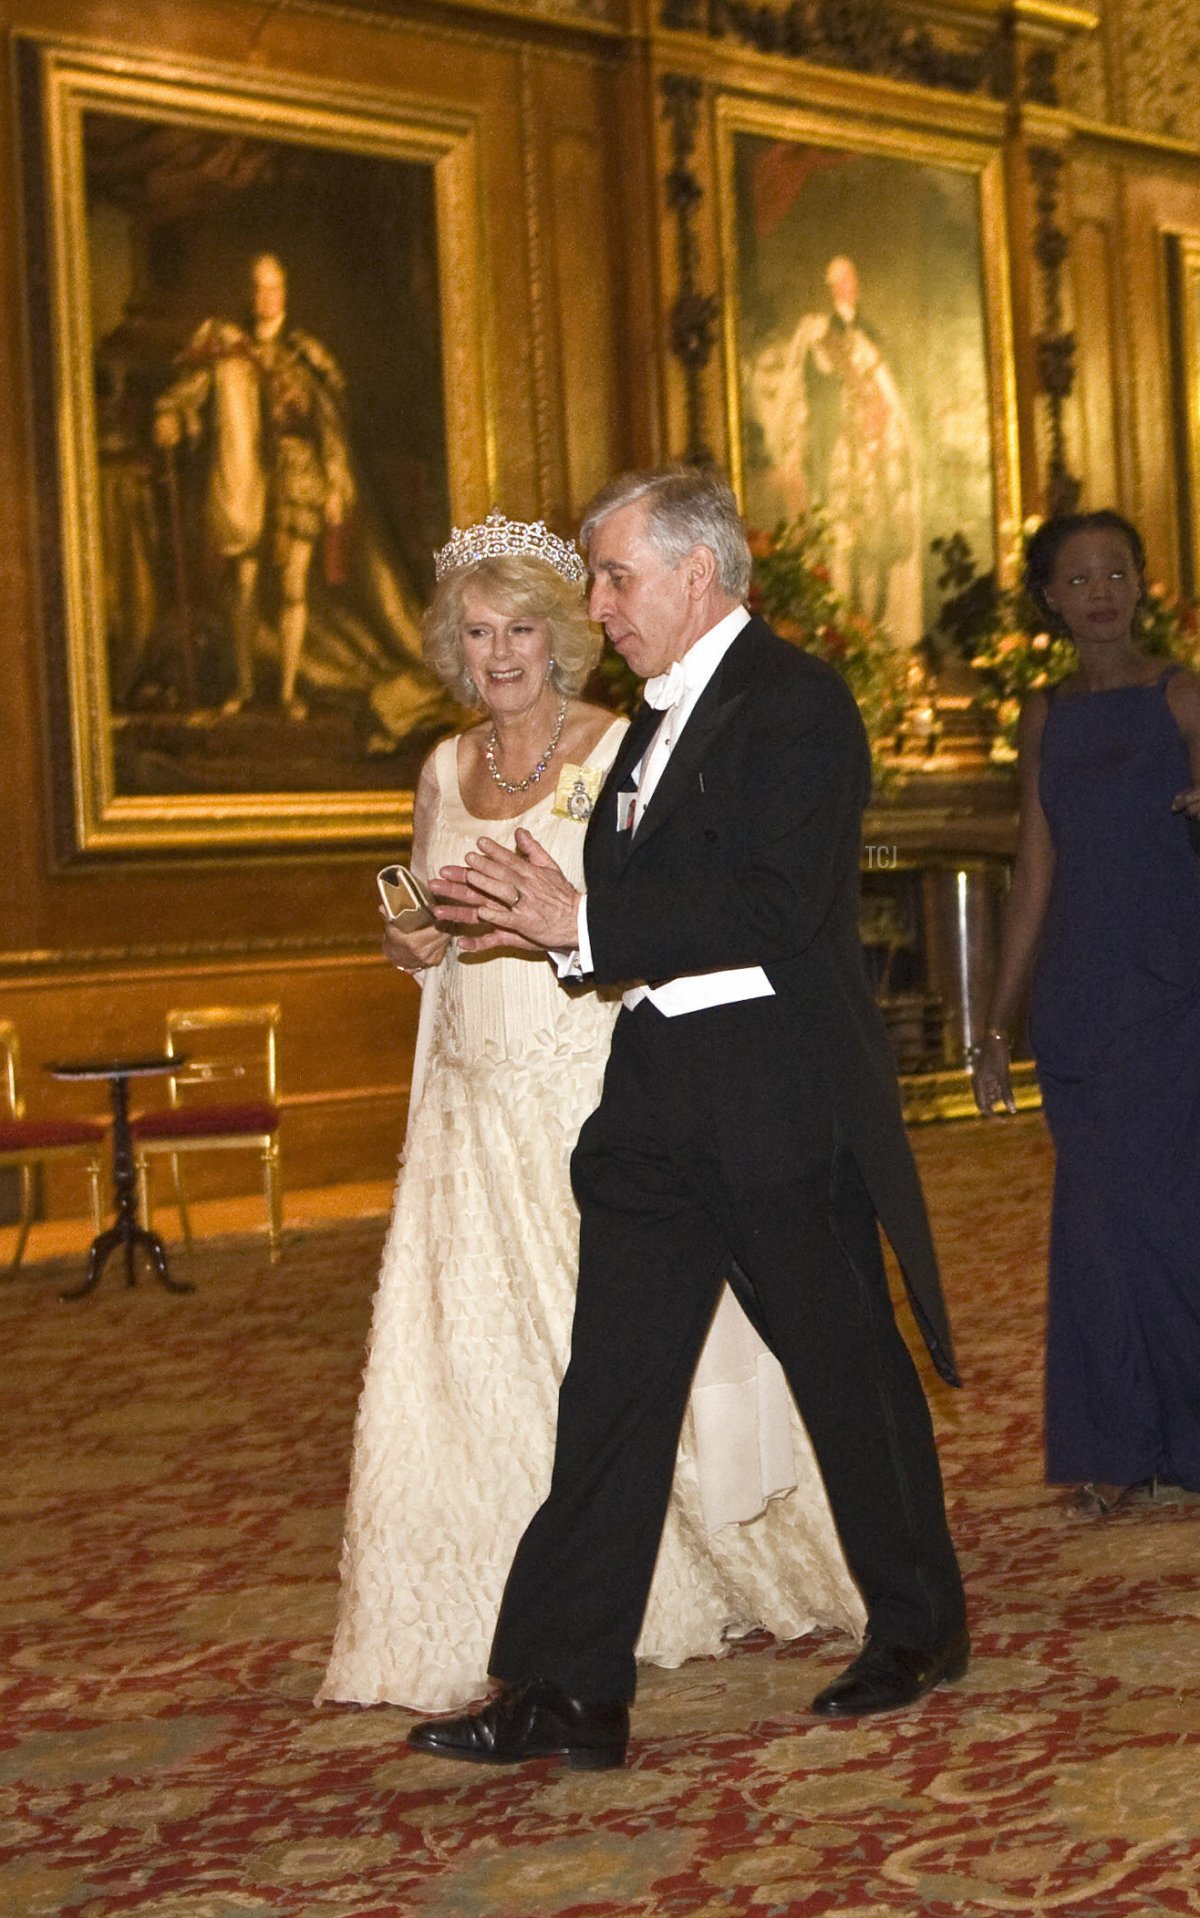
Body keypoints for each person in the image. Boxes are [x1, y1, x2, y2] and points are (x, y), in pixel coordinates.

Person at [411, 468, 967, 1771]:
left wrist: (586, 922)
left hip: (778, 1093)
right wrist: (560, 914)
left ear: (698, 572)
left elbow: (776, 908)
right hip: (657, 1092)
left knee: (844, 1366)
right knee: (609, 1386)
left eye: (615, 577)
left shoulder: (799, 703)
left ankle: (920, 1620)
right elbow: (633, 910)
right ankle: (566, 1685)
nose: (598, 608)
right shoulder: (651, 726)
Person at [318, 509, 867, 1717]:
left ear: (565, 636)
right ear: (451, 647)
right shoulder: (440, 768)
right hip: (470, 1101)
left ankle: (650, 1601)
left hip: (584, 1085)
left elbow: (654, 918)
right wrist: (411, 938)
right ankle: (494, 1620)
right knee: (479, 1365)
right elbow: (424, 933)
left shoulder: (623, 746)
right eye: (478, 632)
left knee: (607, 1363)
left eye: (523, 627)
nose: (501, 652)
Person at [971, 509, 1200, 1515]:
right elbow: (1034, 871)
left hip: (1176, 987)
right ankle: (1114, 1446)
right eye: (1080, 577)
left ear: (1143, 584)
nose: (1101, 589)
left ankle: (1177, 1438)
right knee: (1099, 1226)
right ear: (1051, 601)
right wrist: (994, 1022)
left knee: (1170, 1220)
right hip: (1080, 999)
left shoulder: (1186, 698)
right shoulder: (1044, 717)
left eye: (1117, 571)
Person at [153, 252, 353, 718]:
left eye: (275, 287)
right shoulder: (228, 351)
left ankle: (286, 692)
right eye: (259, 288)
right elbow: (186, 396)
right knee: (242, 585)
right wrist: (171, 418)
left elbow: (331, 425)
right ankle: (243, 686)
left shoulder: (305, 353)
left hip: (299, 479)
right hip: (245, 479)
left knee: (292, 587)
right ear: (250, 294)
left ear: (285, 292)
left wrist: (337, 482)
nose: (267, 297)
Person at [748, 256, 921, 651]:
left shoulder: (870, 337)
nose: (843, 288)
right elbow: (807, 393)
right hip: (842, 458)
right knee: (842, 543)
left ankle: (876, 627)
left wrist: (880, 427)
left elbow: (887, 397)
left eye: (847, 281)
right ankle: (846, 623)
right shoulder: (819, 337)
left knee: (879, 545)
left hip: (876, 464)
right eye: (835, 283)